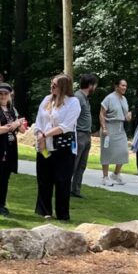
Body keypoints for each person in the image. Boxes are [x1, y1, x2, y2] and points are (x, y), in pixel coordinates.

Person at [34, 73, 81, 221]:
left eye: (55, 85)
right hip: (45, 145)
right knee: (44, 179)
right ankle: (44, 211)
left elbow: (65, 126)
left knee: (62, 180)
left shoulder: (73, 102)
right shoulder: (47, 100)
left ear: (63, 87)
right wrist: (39, 136)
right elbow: (39, 120)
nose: (51, 87)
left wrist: (45, 135)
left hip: (63, 147)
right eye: (51, 84)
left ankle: (62, 214)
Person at [0, 83, 22, 216]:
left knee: (6, 176)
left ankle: (2, 203)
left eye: (6, 94)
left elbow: (22, 128)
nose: (3, 96)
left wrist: (19, 124)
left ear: (10, 95)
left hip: (11, 146)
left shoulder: (12, 110)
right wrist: (14, 124)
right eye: (0, 93)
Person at [99, 77, 131, 186]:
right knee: (107, 152)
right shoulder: (109, 98)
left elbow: (125, 115)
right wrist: (104, 128)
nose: (124, 87)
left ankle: (116, 174)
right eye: (122, 85)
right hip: (109, 127)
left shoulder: (124, 99)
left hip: (120, 127)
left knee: (124, 152)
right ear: (116, 86)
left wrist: (128, 117)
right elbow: (101, 114)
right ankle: (105, 177)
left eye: (125, 86)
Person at [71, 73, 98, 198]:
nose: (96, 87)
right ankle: (65, 188)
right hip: (79, 134)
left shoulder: (85, 98)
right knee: (74, 164)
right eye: (95, 85)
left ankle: (76, 190)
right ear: (90, 85)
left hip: (86, 135)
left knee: (82, 165)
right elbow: (72, 117)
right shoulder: (78, 97)